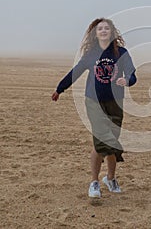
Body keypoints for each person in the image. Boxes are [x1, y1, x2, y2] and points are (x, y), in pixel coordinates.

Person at [51, 18, 137, 198]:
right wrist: (60, 88)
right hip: (93, 102)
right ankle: (94, 182)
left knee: (110, 141)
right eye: (100, 29)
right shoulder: (91, 54)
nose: (104, 31)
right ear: (95, 33)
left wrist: (127, 80)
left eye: (107, 28)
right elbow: (75, 72)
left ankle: (110, 178)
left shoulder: (121, 52)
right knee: (101, 141)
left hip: (115, 103)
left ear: (112, 32)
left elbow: (132, 73)